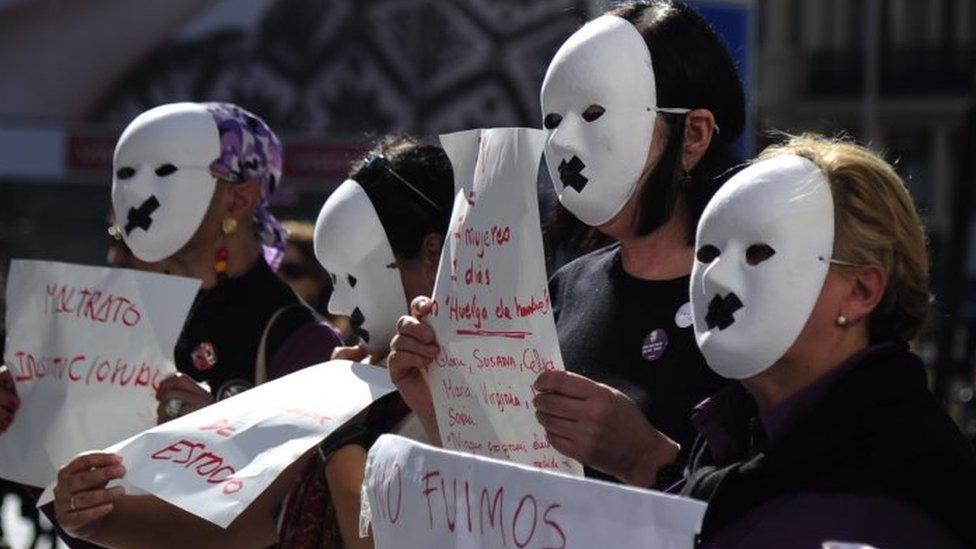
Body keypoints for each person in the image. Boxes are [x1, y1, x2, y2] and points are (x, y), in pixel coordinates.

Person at [389, 0, 746, 483]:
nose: (564, 144)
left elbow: (771, 507)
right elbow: (515, 488)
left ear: (694, 134)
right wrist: (441, 406)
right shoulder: (566, 292)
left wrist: (649, 460)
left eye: (596, 113)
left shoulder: (746, 300)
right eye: (553, 122)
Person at [50, 136, 455, 549]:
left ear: (433, 254)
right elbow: (262, 512)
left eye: (352, 278)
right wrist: (96, 517)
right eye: (334, 280)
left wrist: (339, 439)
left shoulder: (495, 389)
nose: (336, 302)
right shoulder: (366, 376)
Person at [670, 134, 973, 547]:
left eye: (758, 253)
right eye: (707, 253)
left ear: (861, 292)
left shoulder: (915, 484)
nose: (715, 277)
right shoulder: (724, 440)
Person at [279, 219, 353, 343]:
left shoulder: (346, 342)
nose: (279, 279)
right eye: (270, 269)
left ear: (318, 279)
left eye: (291, 271)